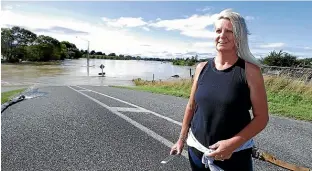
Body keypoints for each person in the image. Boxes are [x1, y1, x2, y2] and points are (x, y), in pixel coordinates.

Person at [170, 9, 269, 171]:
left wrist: (231, 144)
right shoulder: (201, 68)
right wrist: (181, 139)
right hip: (197, 151)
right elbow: (191, 106)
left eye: (229, 31)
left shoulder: (250, 71)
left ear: (239, 36)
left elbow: (262, 117)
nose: (222, 35)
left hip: (234, 156)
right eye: (218, 30)